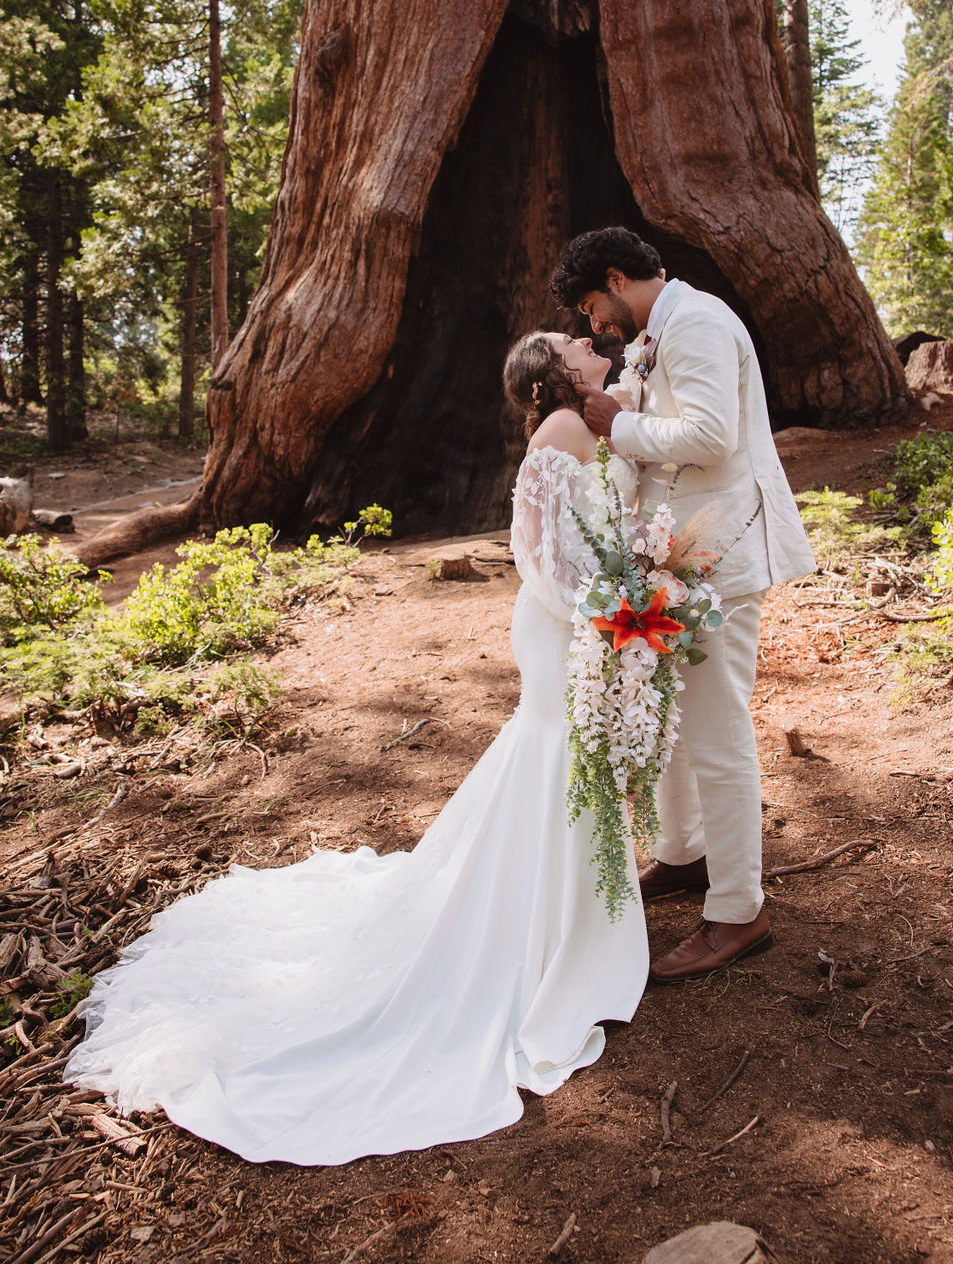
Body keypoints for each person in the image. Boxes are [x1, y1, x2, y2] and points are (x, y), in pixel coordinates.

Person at [63, 331, 649, 1167]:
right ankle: (546, 941)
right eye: (571, 342)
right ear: (554, 375)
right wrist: (614, 607)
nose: (589, 342)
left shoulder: (591, 423)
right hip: (564, 628)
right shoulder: (558, 437)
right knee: (555, 754)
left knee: (558, 760)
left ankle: (571, 926)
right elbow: (545, 561)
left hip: (581, 626)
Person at [550, 226, 815, 984]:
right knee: (670, 711)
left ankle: (739, 908)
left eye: (592, 307)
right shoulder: (658, 330)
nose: (595, 326)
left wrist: (618, 425)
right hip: (675, 553)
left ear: (614, 278)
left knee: (717, 727)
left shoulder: (695, 320)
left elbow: (711, 434)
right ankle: (684, 853)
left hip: (719, 554)